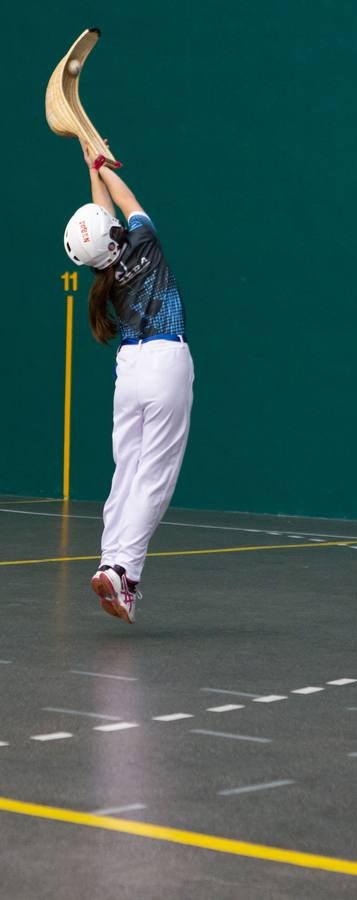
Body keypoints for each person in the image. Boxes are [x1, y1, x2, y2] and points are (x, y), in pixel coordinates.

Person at [63, 142, 194, 622]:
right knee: (154, 479)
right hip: (165, 362)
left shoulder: (104, 271)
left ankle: (109, 561)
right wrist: (103, 165)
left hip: (130, 374)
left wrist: (90, 165)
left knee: (127, 474)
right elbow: (124, 205)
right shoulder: (142, 241)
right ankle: (123, 574)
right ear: (115, 236)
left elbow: (103, 217)